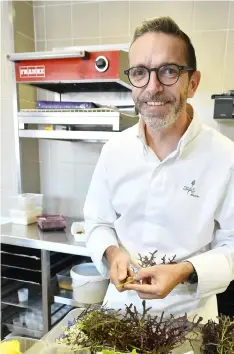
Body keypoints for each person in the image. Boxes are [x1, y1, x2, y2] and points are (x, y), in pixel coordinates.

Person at [84, 16, 234, 322]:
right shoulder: (114, 151)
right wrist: (113, 254)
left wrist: (184, 272)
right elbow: (97, 222)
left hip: (190, 321)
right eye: (140, 73)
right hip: (119, 314)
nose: (152, 87)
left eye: (168, 71)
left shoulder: (225, 157)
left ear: (192, 83)